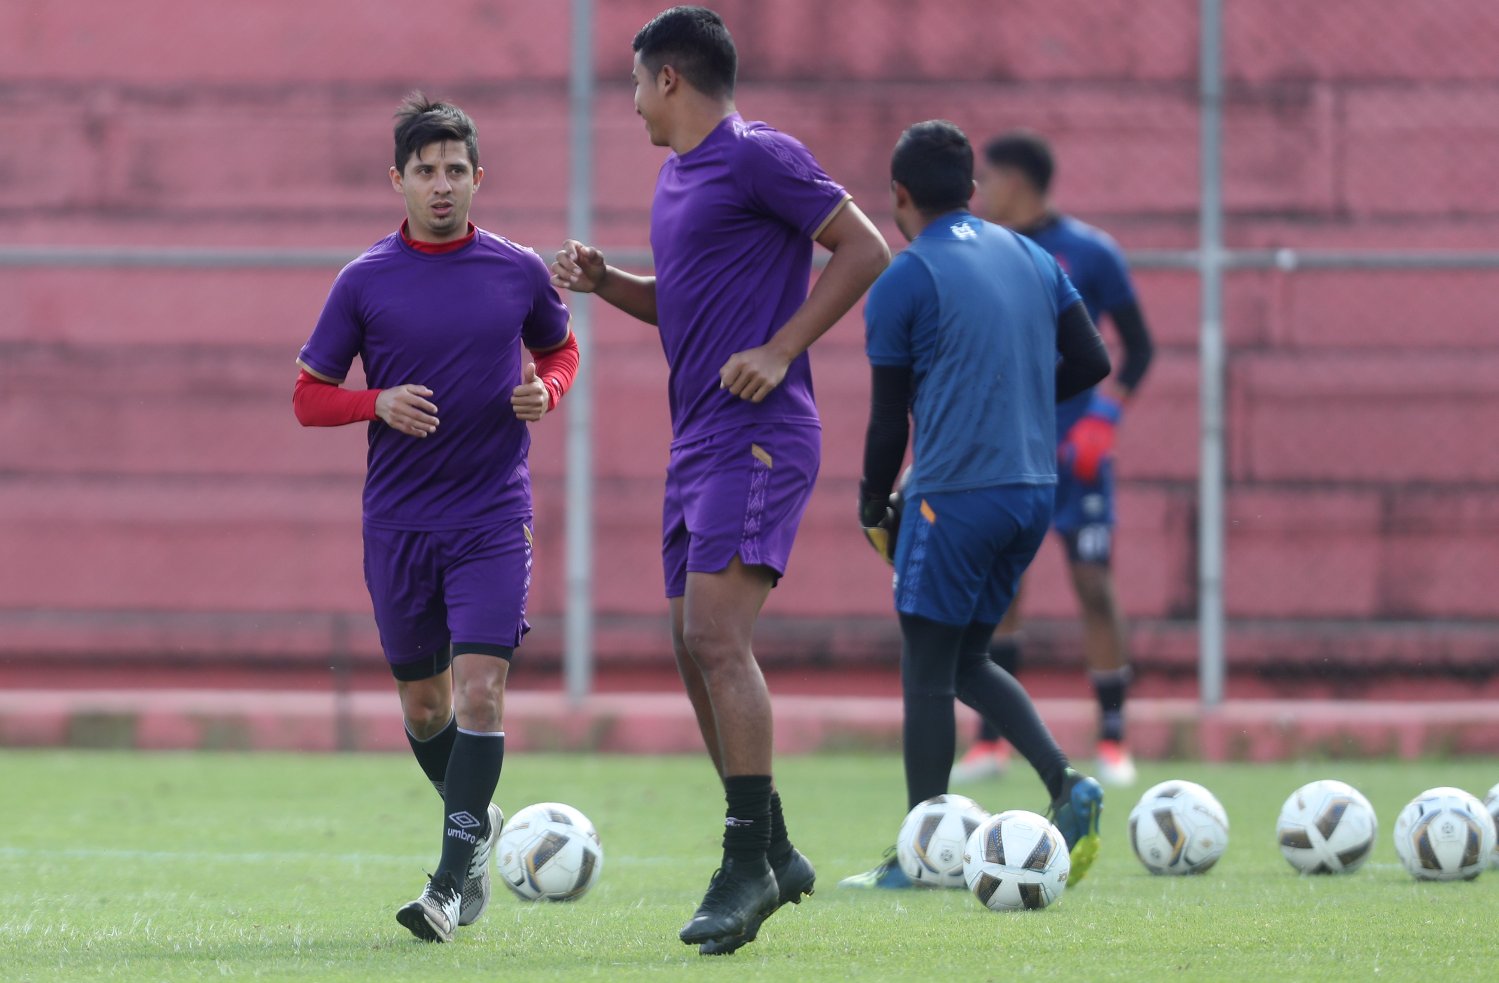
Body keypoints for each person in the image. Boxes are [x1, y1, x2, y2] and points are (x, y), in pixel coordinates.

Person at [550, 5, 889, 954]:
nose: (630, 105)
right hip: (697, 435)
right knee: (686, 640)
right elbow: (684, 302)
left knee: (714, 634)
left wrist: (783, 349)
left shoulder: (757, 154)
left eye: (633, 84)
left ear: (669, 78)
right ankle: (774, 847)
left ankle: (746, 862)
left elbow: (866, 247)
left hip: (760, 431)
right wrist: (605, 281)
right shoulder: (678, 176)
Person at [293, 94, 579, 942]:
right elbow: (308, 398)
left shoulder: (517, 269)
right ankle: (477, 823)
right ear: (399, 181)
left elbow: (557, 348)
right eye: (426, 171)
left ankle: (449, 885)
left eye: (457, 170)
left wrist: (546, 391)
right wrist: (376, 403)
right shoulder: (364, 280)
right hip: (399, 523)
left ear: (477, 177)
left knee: (481, 689)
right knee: (425, 707)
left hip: (491, 514)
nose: (442, 184)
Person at [839, 121, 1109, 890]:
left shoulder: (904, 276)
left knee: (925, 670)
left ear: (897, 196)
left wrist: (869, 500)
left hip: (953, 496)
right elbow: (1091, 359)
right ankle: (1067, 783)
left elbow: (890, 417)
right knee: (965, 659)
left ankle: (919, 858)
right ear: (973, 192)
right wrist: (1017, 402)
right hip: (1029, 491)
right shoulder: (1030, 253)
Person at [952, 129, 1155, 789]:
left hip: (1078, 452)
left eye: (990, 178)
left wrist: (1107, 414)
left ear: (1019, 181)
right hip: (1009, 448)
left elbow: (1139, 347)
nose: (980, 191)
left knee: (1093, 583)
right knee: (1000, 588)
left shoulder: (1091, 253)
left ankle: (1113, 737)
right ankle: (989, 741)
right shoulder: (980, 250)